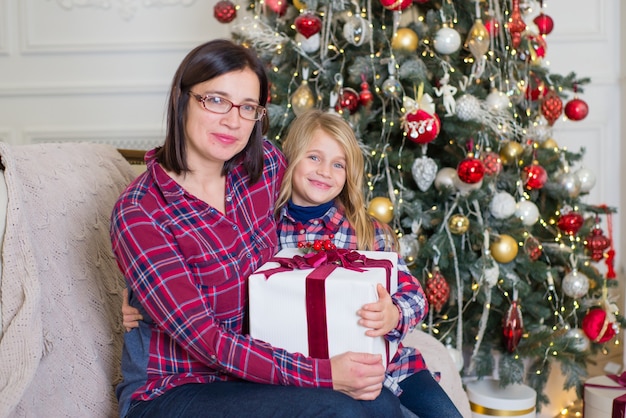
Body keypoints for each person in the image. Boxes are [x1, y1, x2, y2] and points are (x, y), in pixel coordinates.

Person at [111, 39, 403, 418]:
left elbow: (322, 208)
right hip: (176, 389)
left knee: (379, 401)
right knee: (339, 409)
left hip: (254, 373)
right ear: (182, 98)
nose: (233, 121)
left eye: (248, 107)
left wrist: (388, 280)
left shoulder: (264, 168)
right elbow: (208, 341)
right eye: (216, 100)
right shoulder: (141, 212)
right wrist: (325, 372)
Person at [122, 108, 463, 417]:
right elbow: (212, 281)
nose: (324, 171)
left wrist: (395, 313)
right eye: (314, 157)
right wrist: (141, 304)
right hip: (303, 371)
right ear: (289, 160)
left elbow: (414, 294)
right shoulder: (264, 226)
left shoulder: (365, 230)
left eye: (338, 164)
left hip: (390, 365)